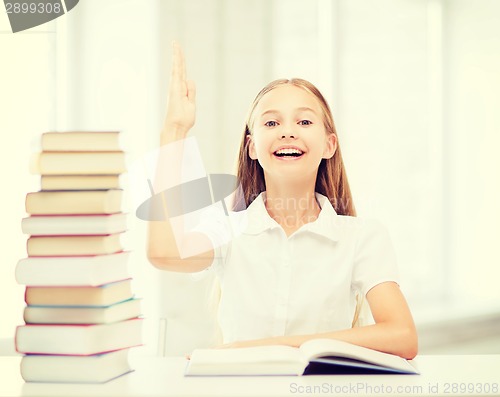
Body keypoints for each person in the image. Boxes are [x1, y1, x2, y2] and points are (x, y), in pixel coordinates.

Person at [147, 42, 418, 360]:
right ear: (252, 146)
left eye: (304, 122)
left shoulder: (363, 237)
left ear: (329, 144)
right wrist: (174, 130)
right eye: (271, 123)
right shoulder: (229, 231)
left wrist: (262, 348)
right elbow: (164, 252)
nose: (287, 132)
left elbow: (402, 336)